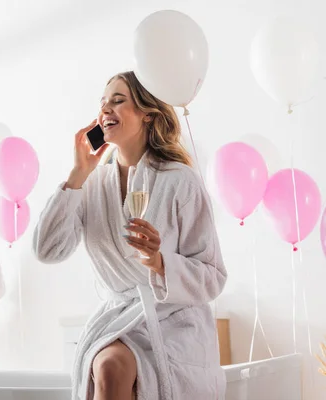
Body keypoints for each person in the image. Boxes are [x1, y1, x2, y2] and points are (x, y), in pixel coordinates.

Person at [33, 71, 227, 400]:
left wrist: (161, 263)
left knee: (113, 367)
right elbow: (47, 250)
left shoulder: (180, 180)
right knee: (109, 366)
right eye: (103, 103)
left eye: (118, 101)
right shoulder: (91, 185)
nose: (105, 109)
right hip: (120, 319)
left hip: (174, 322)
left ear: (147, 115)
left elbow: (213, 277)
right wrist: (78, 174)